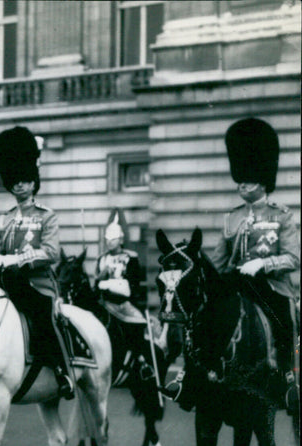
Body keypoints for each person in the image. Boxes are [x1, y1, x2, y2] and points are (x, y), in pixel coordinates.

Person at [163, 117, 299, 414]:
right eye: (240, 178)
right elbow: (219, 261)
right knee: (201, 314)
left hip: (271, 285)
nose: (241, 183)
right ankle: (190, 375)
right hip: (236, 283)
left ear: (263, 180)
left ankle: (289, 380)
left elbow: (294, 258)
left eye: (247, 178)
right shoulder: (232, 218)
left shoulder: (282, 216)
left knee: (282, 317)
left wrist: (263, 263)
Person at [0, 126, 74, 400]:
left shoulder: (48, 216)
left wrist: (16, 260)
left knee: (42, 315)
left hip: (38, 284)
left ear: (34, 182)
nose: (19, 185)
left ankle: (62, 372)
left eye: (24, 179)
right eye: (15, 180)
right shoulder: (6, 217)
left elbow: (50, 252)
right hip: (8, 283)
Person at [95, 212, 153, 379]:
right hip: (104, 303)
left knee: (137, 323)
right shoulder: (101, 259)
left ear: (120, 240)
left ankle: (141, 360)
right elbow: (96, 283)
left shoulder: (130, 258)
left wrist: (106, 283)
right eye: (107, 239)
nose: (109, 243)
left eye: (112, 239)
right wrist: (101, 280)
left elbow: (131, 285)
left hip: (122, 303)